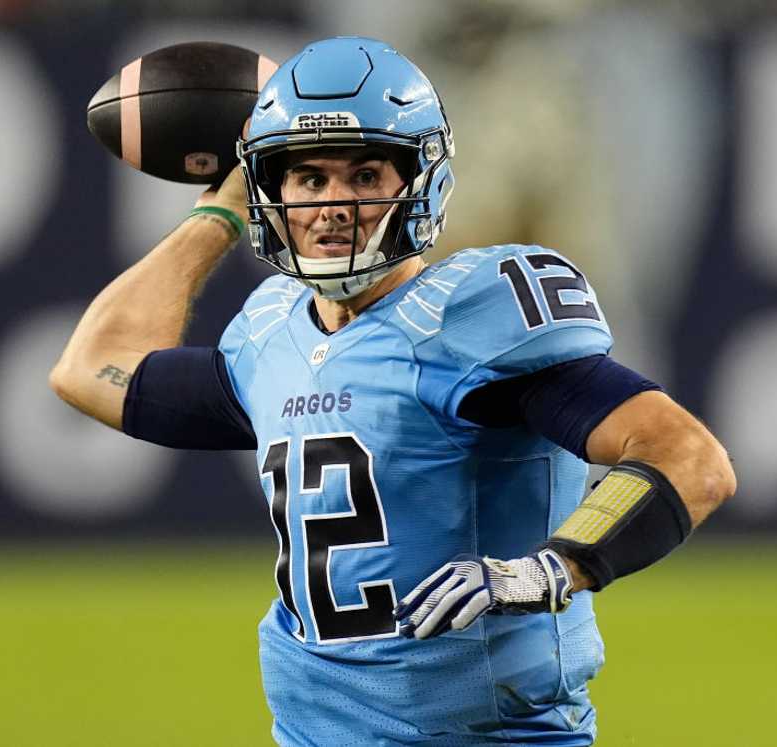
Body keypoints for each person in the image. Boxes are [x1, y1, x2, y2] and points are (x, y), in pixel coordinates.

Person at [50, 36, 735, 746]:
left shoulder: (469, 319)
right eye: (307, 178)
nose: (334, 204)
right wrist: (217, 212)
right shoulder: (271, 337)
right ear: (268, 190)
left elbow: (689, 458)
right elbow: (91, 366)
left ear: (421, 179)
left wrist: (550, 568)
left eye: (366, 174)